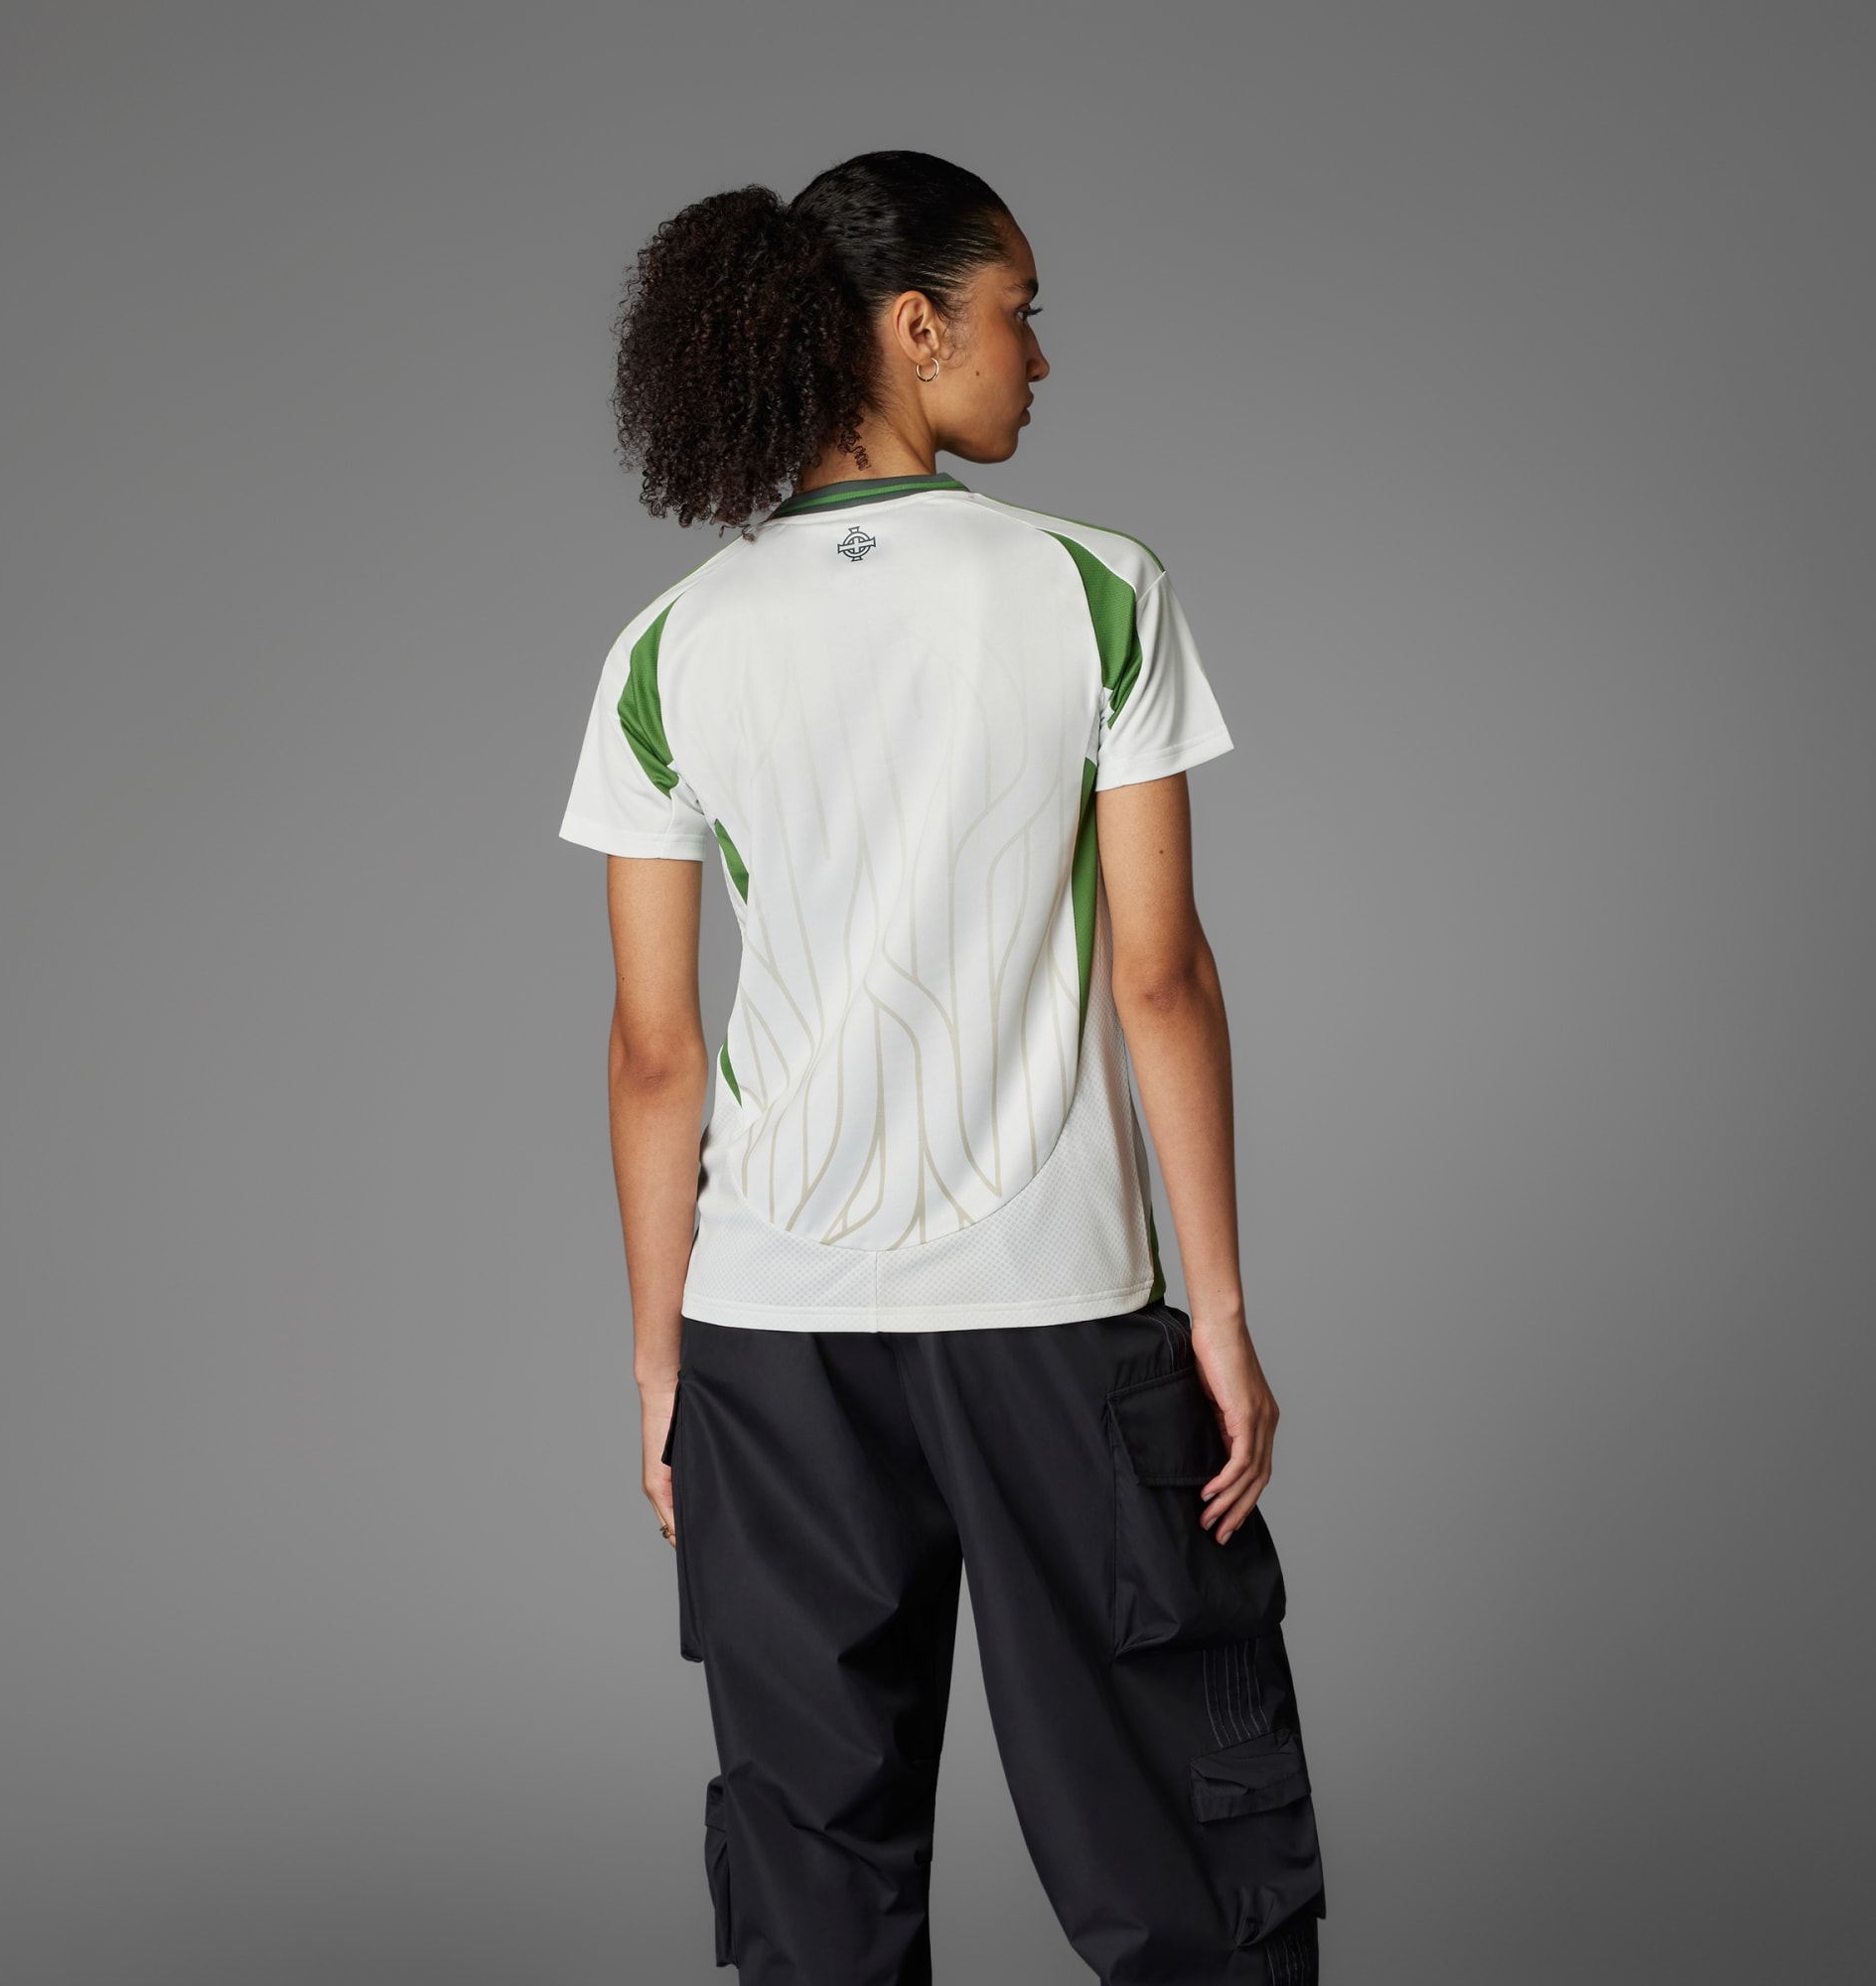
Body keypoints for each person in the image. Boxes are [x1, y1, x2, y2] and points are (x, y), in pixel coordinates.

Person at [558, 149, 1328, 1985]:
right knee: (1182, 1851)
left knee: (811, 1866)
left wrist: (664, 1368)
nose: (1038, 356)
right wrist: (1220, 1318)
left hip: (770, 1335)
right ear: (915, 327)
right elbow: (1160, 978)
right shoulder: (1095, 588)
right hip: (1053, 1313)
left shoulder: (670, 645)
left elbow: (656, 1050)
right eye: (1017, 313)